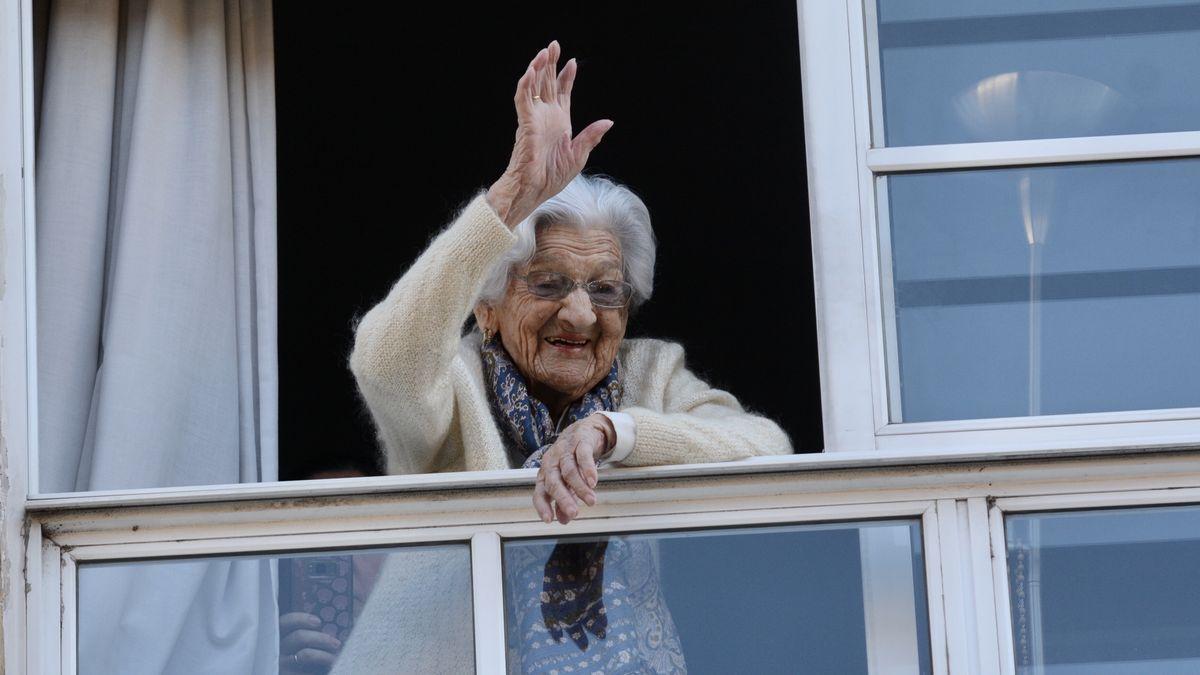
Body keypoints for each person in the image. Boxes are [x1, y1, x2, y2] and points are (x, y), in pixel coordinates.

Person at [342, 40, 792, 673]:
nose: (580, 315)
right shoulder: (451, 385)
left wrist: (616, 433)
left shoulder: (647, 374)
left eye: (605, 291)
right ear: (487, 308)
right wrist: (510, 199)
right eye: (548, 284)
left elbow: (765, 446)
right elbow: (384, 360)